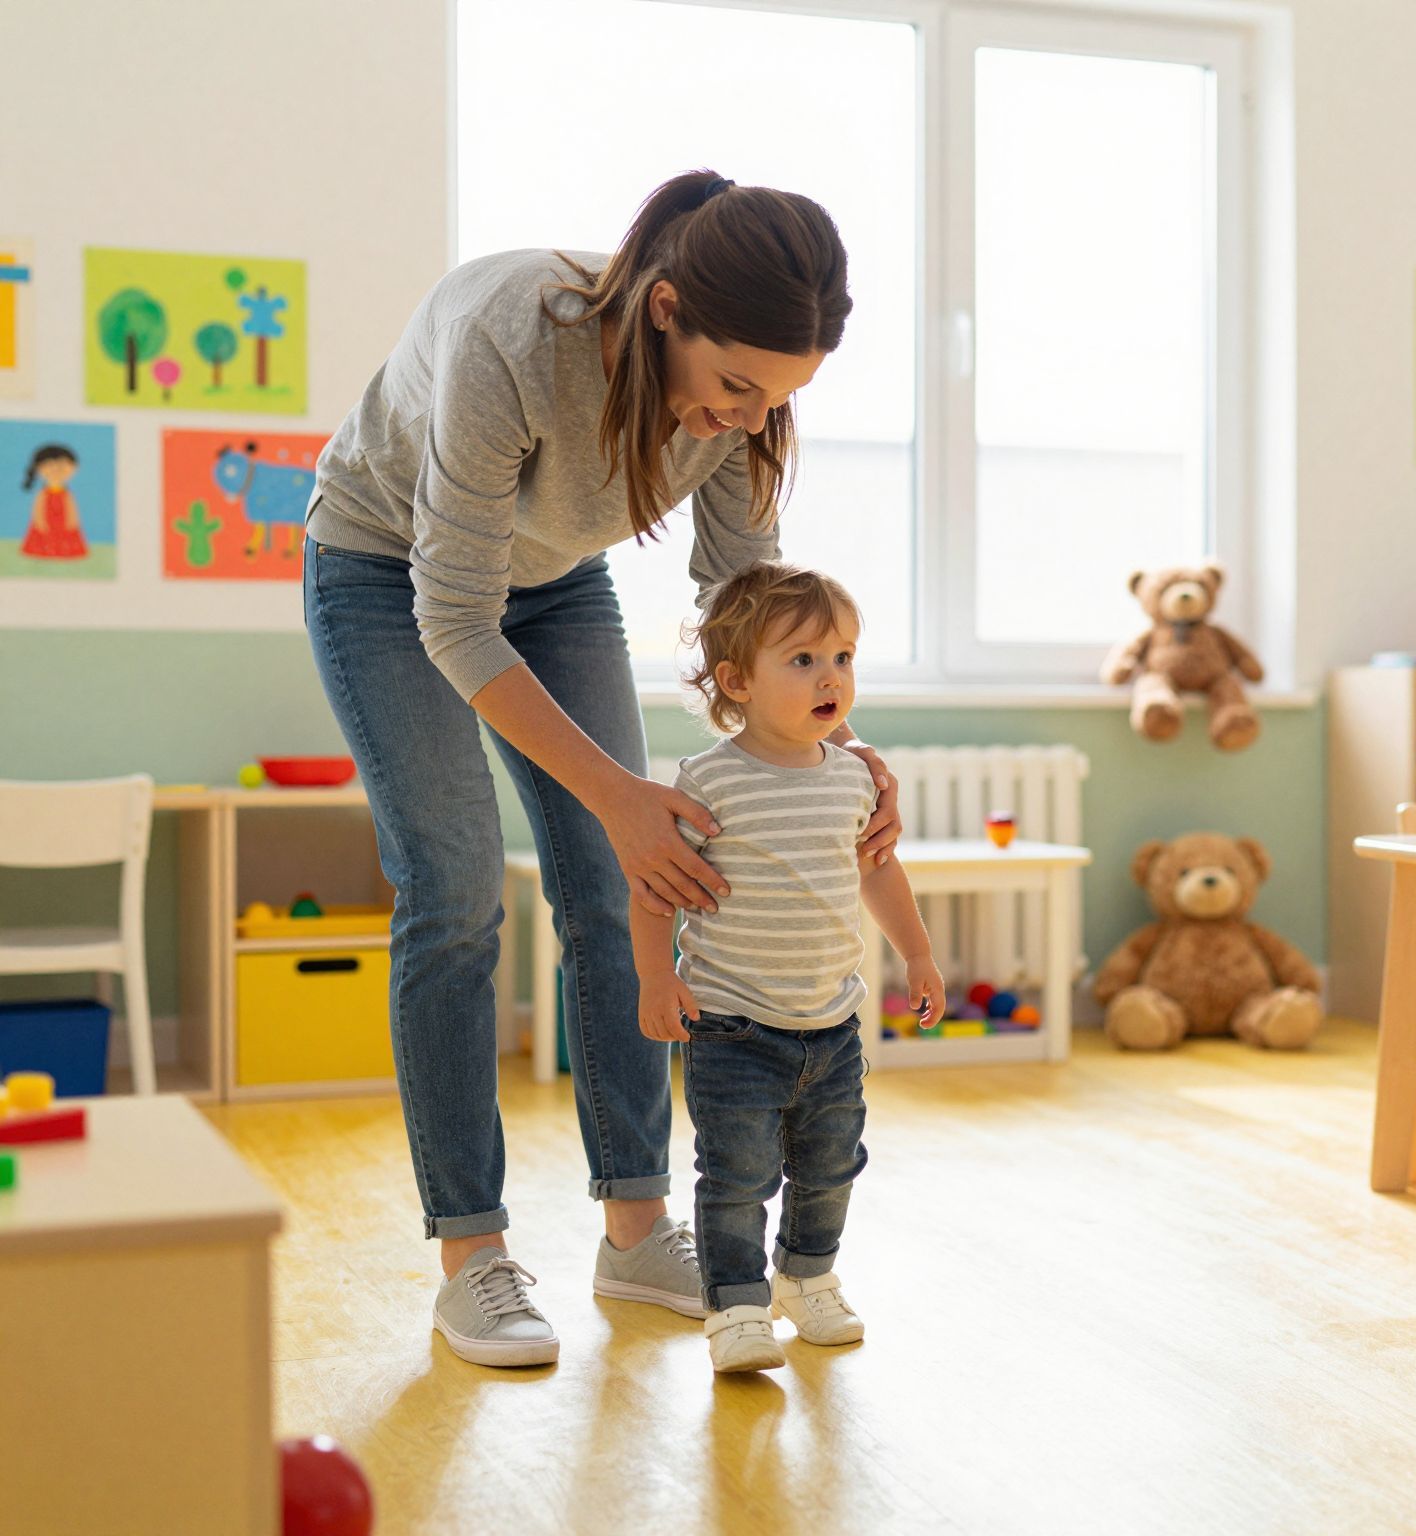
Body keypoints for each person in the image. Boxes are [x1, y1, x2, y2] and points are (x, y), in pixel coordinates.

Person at [301, 170, 901, 1368]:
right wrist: (621, 796)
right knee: (454, 890)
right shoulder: (514, 336)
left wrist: (825, 740)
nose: (746, 419)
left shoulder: (743, 408)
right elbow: (455, 616)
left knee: (627, 884)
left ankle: (634, 1227)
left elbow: (745, 605)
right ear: (666, 309)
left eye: (777, 399)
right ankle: (472, 1254)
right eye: (735, 387)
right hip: (384, 569)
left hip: (553, 579)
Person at [634, 562, 943, 1372]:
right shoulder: (708, 781)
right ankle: (736, 1306)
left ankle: (806, 1279)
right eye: (803, 660)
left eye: (843, 657)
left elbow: (877, 870)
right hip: (733, 1026)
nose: (831, 677)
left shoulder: (854, 779)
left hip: (832, 1025)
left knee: (831, 1166)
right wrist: (657, 978)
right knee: (737, 1175)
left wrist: (917, 953)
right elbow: (656, 889)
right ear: (738, 681)